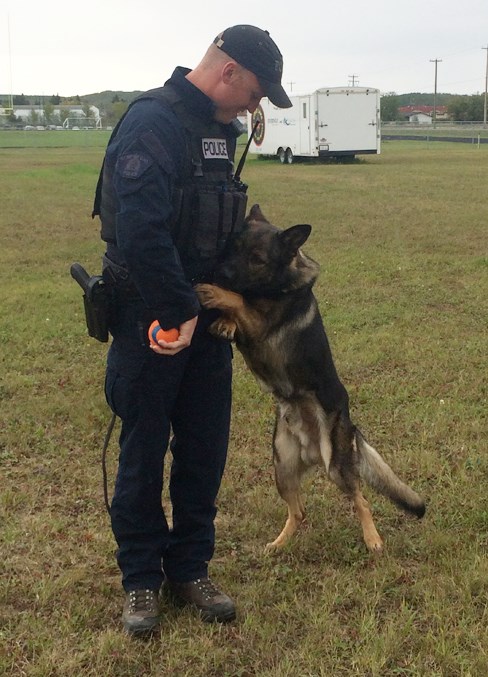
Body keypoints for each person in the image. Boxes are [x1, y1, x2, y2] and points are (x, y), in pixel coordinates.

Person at [92, 24, 292, 636]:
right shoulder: (153, 123)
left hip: (206, 321)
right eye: (256, 92)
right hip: (149, 316)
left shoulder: (220, 130)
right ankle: (142, 581)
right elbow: (140, 231)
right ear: (228, 71)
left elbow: (218, 226)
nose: (255, 107)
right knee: (144, 452)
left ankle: (191, 569)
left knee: (204, 450)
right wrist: (175, 310)